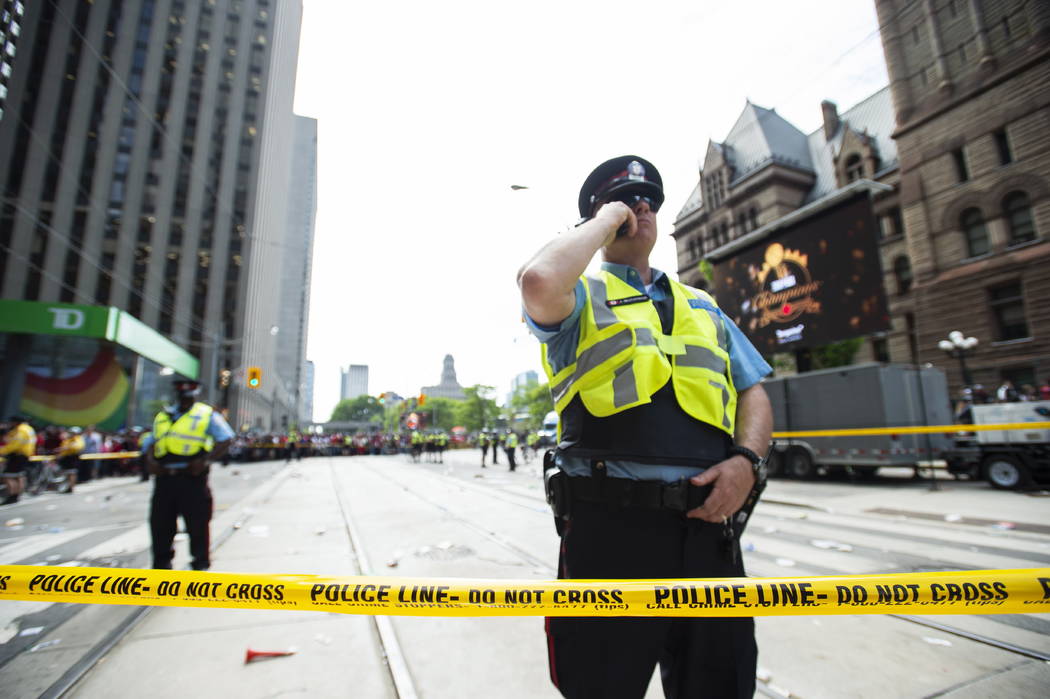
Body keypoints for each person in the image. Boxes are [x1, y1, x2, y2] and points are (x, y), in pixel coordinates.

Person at [518, 155, 773, 699]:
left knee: (721, 687)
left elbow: (753, 390)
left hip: (710, 530)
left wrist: (747, 463)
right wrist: (607, 220)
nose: (642, 208)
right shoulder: (580, 297)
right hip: (610, 533)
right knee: (601, 688)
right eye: (628, 201)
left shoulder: (703, 306)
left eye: (649, 201)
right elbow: (538, 278)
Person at [143, 379, 233, 570]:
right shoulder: (163, 416)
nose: (185, 399)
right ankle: (161, 567)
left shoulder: (206, 415)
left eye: (189, 396)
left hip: (192, 480)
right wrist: (150, 461)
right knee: (160, 525)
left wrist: (205, 461)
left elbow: (226, 439)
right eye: (182, 396)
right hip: (164, 479)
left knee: (198, 525)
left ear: (195, 395)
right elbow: (151, 442)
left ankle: (199, 566)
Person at [0, 415, 36, 503]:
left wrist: (2, 450)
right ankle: (17, 496)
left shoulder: (21, 430)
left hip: (18, 456)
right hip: (24, 455)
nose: (10, 423)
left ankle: (12, 495)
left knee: (8, 476)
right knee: (19, 476)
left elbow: (15, 444)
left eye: (11, 422)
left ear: (16, 422)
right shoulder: (28, 429)